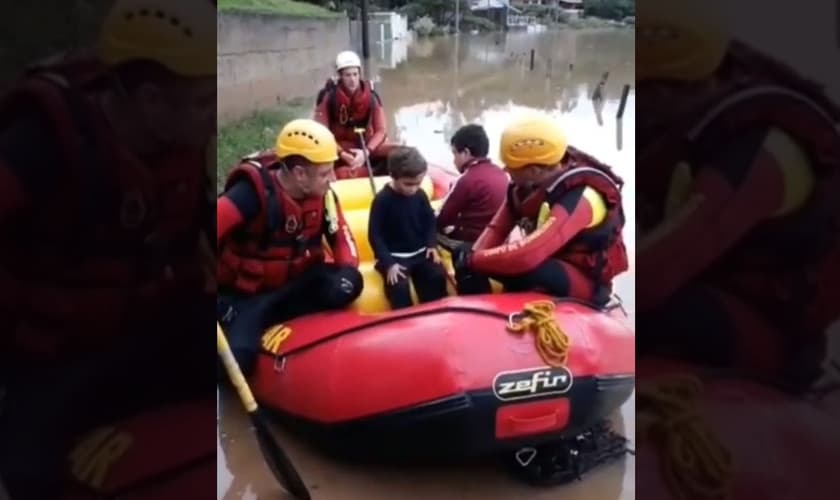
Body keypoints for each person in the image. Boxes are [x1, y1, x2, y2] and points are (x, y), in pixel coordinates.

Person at [0, 0, 216, 497]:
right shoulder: (39, 145)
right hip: (58, 356)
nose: (214, 119)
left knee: (227, 346)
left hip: (154, 326)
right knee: (28, 473)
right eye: (205, 103)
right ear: (151, 100)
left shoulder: (185, 145)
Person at [635, 0, 840, 391]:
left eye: (651, 92)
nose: (645, 108)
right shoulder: (689, 118)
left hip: (767, 335)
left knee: (634, 313)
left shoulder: (765, 149)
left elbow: (657, 276)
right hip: (707, 290)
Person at [217, 118, 363, 374]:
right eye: (325, 173)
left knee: (351, 284)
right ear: (299, 173)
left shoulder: (324, 196)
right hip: (252, 295)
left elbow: (342, 241)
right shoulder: (250, 194)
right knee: (239, 360)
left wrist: (349, 273)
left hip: (297, 283)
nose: (332, 179)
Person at [452, 115, 629, 307]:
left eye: (510, 166)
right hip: (552, 260)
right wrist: (471, 256)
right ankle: (475, 309)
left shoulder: (581, 198)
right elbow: (497, 228)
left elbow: (529, 255)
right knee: (464, 253)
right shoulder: (525, 187)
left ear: (534, 170)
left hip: (585, 280)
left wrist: (475, 261)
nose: (506, 170)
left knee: (523, 269)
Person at [368, 146, 448, 310]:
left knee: (436, 275)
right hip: (394, 256)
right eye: (408, 184)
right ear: (393, 176)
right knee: (398, 285)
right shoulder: (382, 200)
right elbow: (374, 234)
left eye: (417, 184)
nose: (413, 188)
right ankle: (406, 321)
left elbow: (429, 221)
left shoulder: (420, 195)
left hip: (420, 252)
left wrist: (431, 244)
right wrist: (388, 263)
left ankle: (437, 314)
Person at [436, 124, 508, 294]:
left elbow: (443, 218)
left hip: (472, 242)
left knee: (428, 231)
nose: (453, 160)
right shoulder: (501, 174)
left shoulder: (467, 179)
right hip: (498, 239)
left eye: (454, 153)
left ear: (466, 153)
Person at [314, 50, 393, 179]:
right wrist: (342, 154)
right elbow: (322, 133)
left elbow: (381, 130)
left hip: (364, 148)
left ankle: (371, 172)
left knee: (399, 152)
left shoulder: (372, 97)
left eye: (355, 74)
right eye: (347, 75)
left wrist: (366, 152)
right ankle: (344, 174)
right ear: (340, 76)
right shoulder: (328, 97)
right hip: (336, 149)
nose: (352, 80)